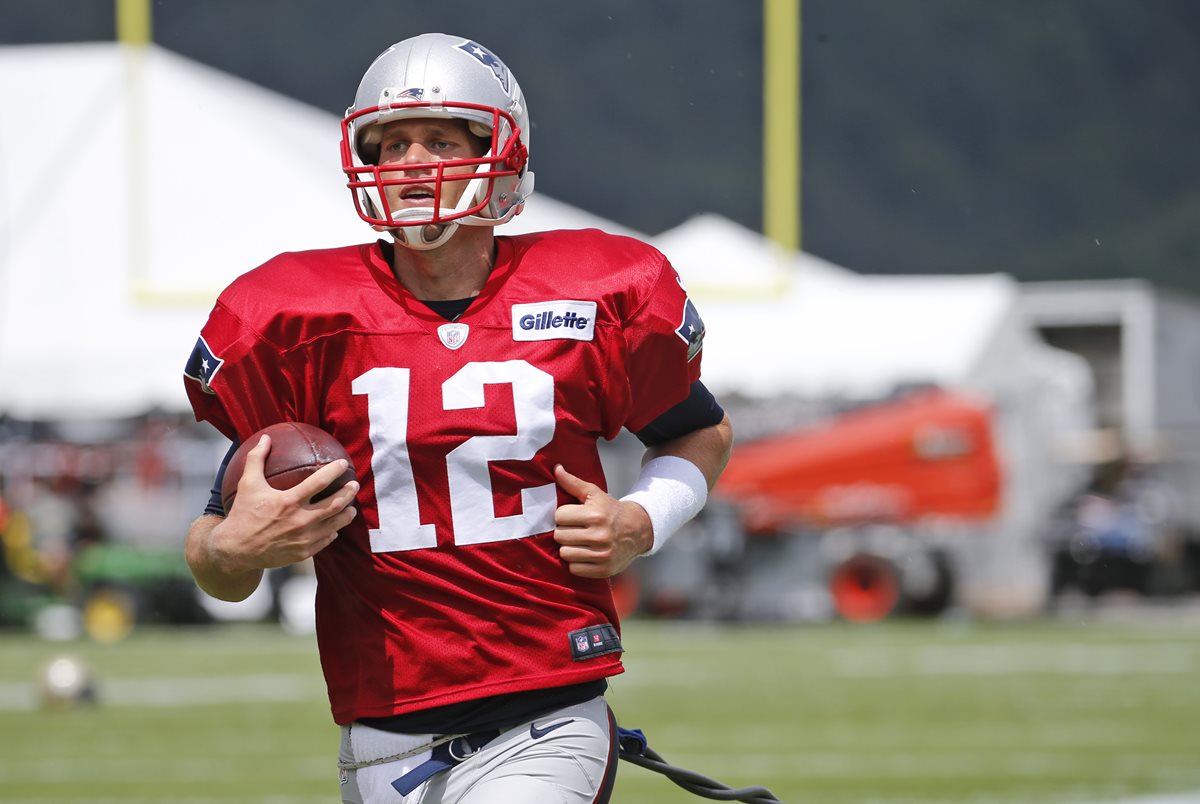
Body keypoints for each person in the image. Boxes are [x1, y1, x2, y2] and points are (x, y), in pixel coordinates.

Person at [182, 32, 732, 804]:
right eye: (392, 141)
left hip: (546, 715)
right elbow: (215, 556)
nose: (412, 160)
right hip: (378, 736)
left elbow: (698, 432)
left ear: (503, 149)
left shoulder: (594, 294)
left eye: (439, 138)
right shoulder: (293, 317)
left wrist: (644, 519)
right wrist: (236, 549)